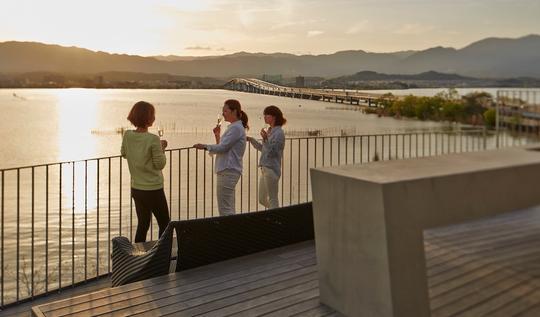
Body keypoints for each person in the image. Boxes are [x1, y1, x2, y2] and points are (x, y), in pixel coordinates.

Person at [121, 101, 170, 242]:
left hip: (136, 188)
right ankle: (161, 255)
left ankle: (138, 257)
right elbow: (160, 164)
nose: (154, 117)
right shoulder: (153, 139)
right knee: (165, 224)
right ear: (148, 118)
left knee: (143, 225)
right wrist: (161, 148)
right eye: (153, 115)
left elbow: (124, 153)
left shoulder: (127, 135)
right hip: (153, 189)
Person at [194, 99, 248, 216]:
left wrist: (204, 146)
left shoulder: (236, 128)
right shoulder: (235, 127)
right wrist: (217, 135)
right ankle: (232, 232)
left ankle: (228, 232)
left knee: (225, 209)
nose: (223, 113)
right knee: (229, 207)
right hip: (229, 170)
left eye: (225, 111)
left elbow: (223, 148)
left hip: (228, 171)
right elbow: (224, 147)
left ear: (234, 111)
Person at [247, 105, 286, 209]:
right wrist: (251, 140)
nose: (264, 117)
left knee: (273, 198)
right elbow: (264, 149)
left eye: (266, 115)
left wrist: (265, 139)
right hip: (265, 169)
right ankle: (274, 214)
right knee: (262, 199)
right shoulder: (270, 131)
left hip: (272, 169)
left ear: (273, 117)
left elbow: (273, 153)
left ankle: (276, 219)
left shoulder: (279, 133)